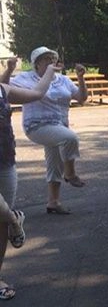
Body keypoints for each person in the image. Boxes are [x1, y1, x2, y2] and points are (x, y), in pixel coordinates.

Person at [0, 56, 61, 299]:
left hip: (5, 162)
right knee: (5, 215)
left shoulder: (3, 90)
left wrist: (50, 71)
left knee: (0, 224)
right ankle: (14, 219)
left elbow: (36, 93)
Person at [4, 47, 88, 215]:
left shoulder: (62, 80)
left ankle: (53, 202)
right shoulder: (26, 78)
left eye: (52, 58)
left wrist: (80, 78)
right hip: (36, 126)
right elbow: (4, 88)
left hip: (59, 125)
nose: (51, 61)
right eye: (46, 59)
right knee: (70, 139)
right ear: (36, 63)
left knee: (54, 163)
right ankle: (70, 174)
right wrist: (9, 70)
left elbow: (81, 98)